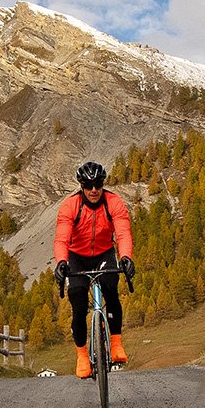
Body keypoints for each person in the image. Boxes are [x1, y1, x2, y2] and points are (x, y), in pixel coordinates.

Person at [52, 160, 135, 378]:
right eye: (88, 186)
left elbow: (124, 234)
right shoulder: (70, 206)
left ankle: (115, 343)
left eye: (98, 184)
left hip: (104, 253)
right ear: (81, 187)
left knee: (110, 290)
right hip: (76, 256)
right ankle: (82, 356)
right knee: (78, 303)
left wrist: (125, 258)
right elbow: (61, 239)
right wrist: (62, 262)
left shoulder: (114, 203)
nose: (94, 190)